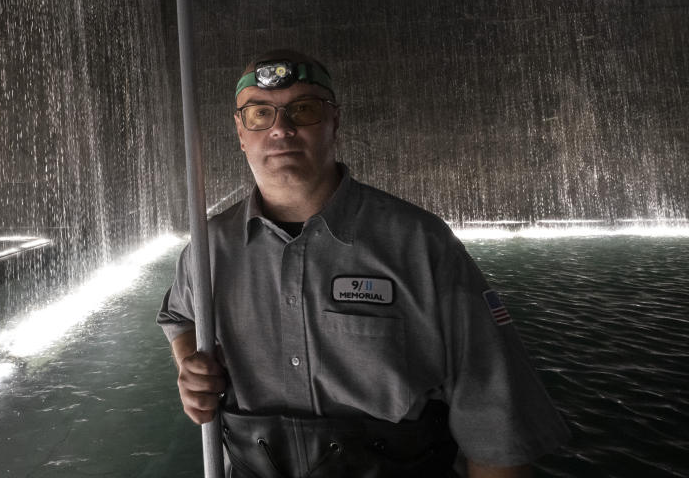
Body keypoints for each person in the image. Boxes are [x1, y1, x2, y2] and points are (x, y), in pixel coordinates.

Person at [157, 50, 570, 477]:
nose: (282, 128)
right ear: (241, 133)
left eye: (304, 109)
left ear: (335, 121)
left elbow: (496, 427)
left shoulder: (420, 244)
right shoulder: (207, 250)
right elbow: (177, 315)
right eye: (260, 113)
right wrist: (192, 365)